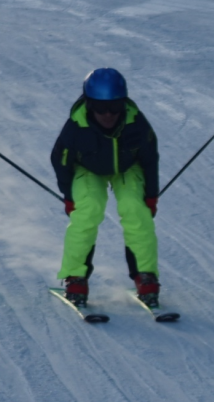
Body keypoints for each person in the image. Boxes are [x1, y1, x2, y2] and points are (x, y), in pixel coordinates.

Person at [50, 68, 161, 308]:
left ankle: (145, 275)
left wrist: (151, 196)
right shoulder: (76, 127)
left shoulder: (137, 124)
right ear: (89, 104)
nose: (108, 114)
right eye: (100, 108)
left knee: (136, 209)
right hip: (88, 168)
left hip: (127, 167)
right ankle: (75, 277)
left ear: (124, 103)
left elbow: (150, 159)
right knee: (87, 209)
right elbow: (61, 161)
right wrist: (69, 196)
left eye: (115, 106)